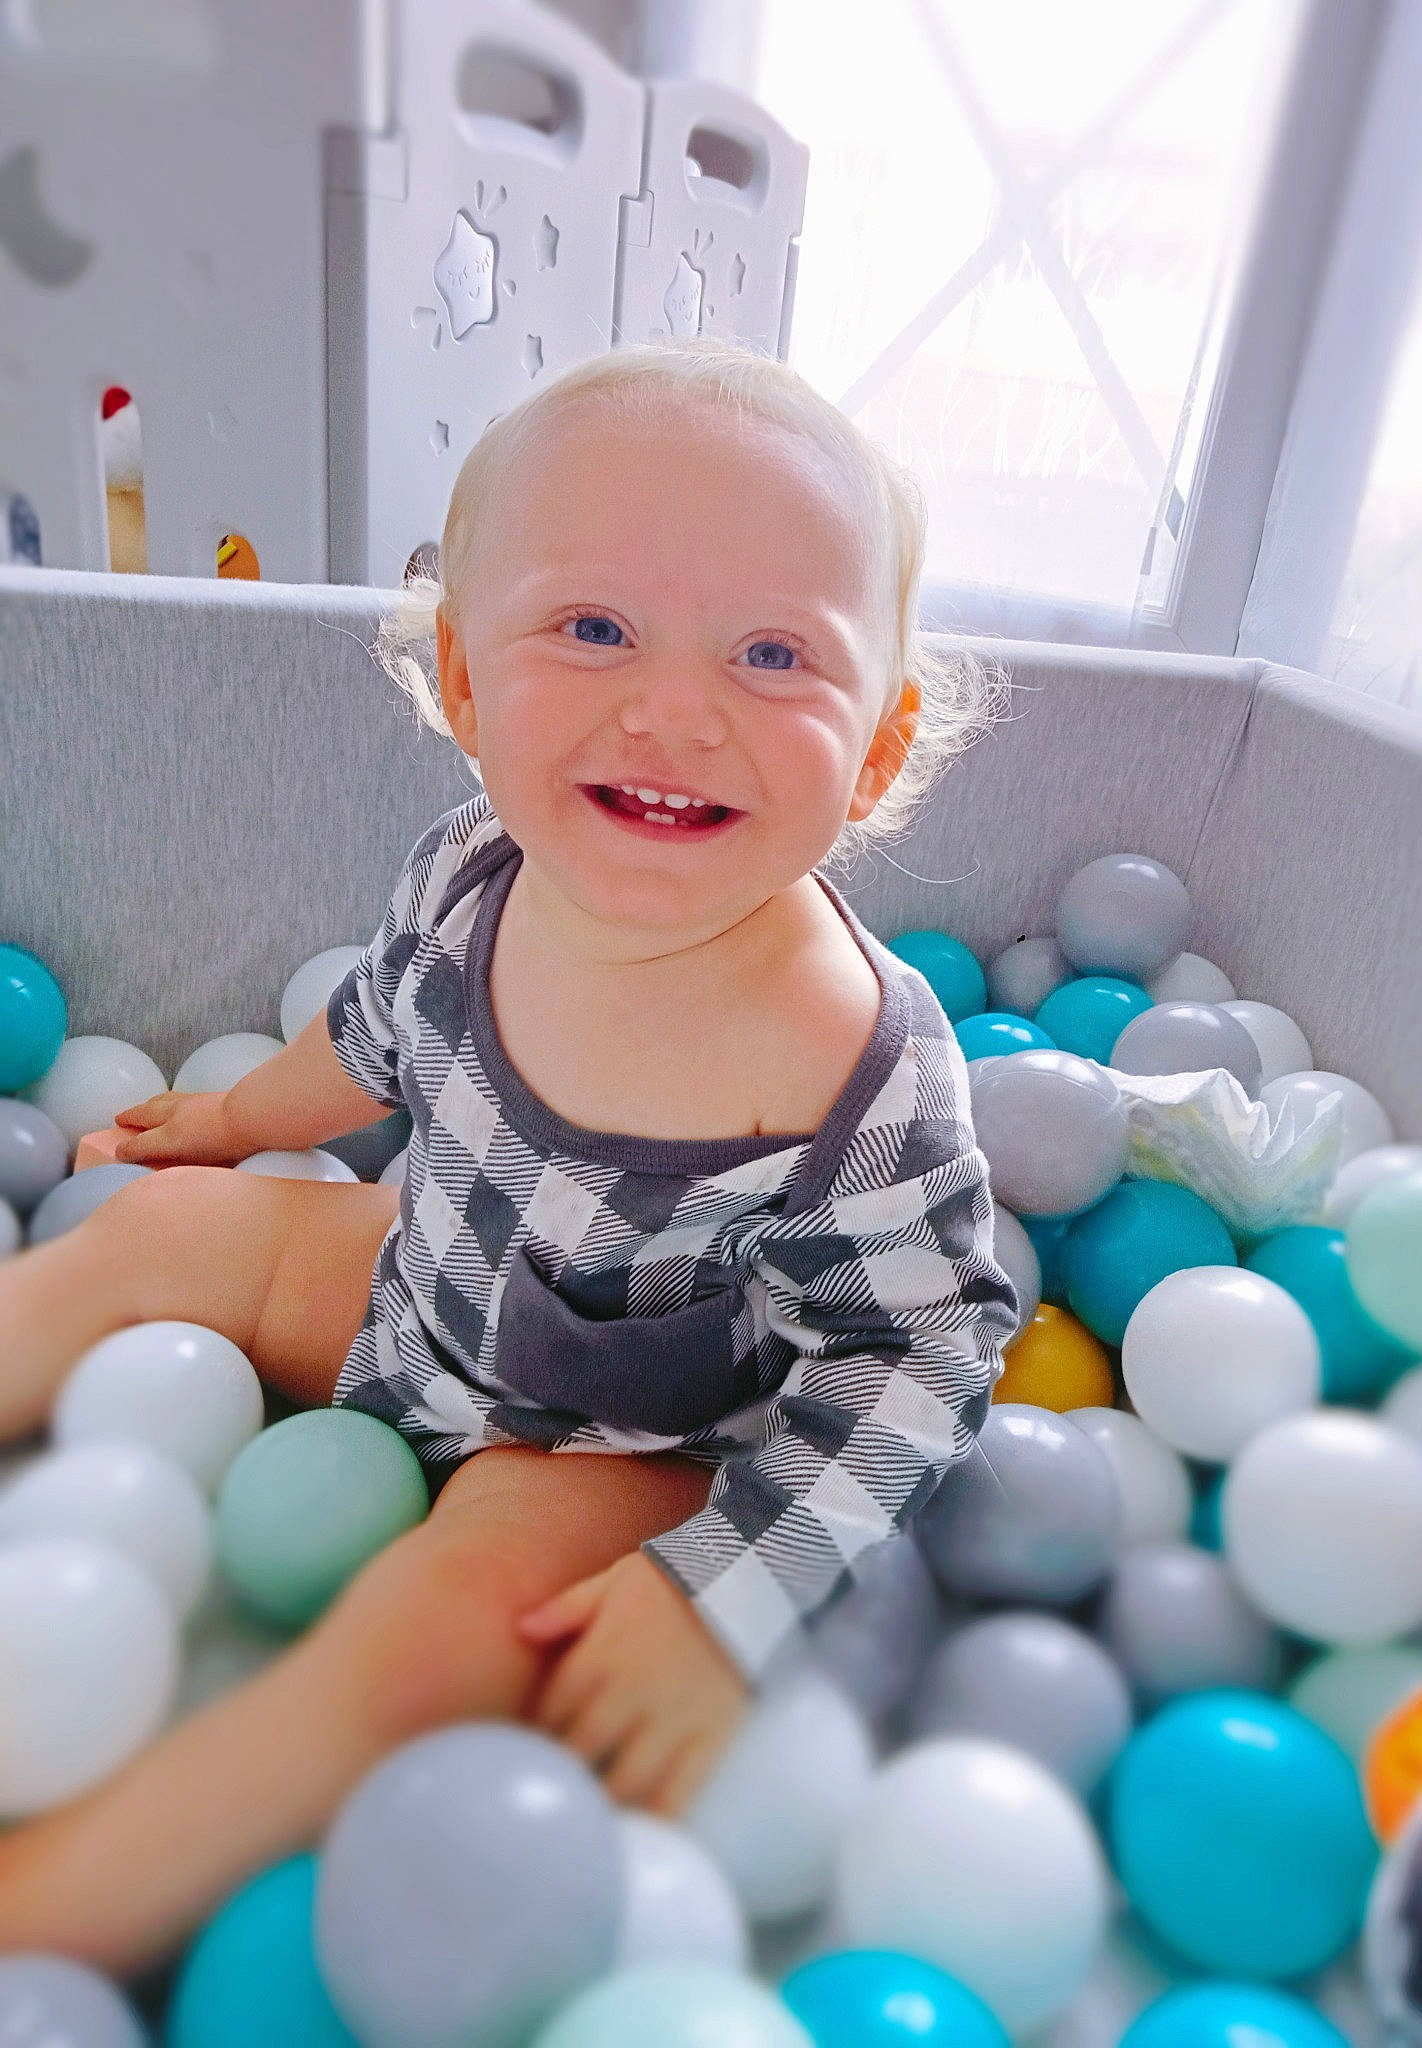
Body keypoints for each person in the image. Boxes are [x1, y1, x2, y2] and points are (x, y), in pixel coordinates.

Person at [0, 336, 1019, 1973]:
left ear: (879, 751)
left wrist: (718, 1592)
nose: (674, 709)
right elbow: (382, 1032)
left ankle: (56, 1901)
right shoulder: (479, 868)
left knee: (442, 1625)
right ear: (467, 683)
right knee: (151, 1234)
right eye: (594, 627)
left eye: (771, 655)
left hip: (623, 1443)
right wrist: (240, 1120)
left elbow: (920, 1359)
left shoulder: (854, 1066)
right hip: (423, 1298)